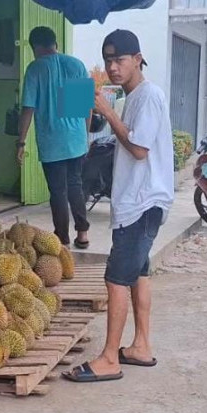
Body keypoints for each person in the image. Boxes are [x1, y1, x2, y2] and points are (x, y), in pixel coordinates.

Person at [64, 30, 174, 383]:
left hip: (142, 203)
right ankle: (141, 345)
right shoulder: (134, 98)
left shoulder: (149, 96)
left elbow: (140, 148)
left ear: (138, 58)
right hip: (139, 202)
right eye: (108, 60)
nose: (112, 67)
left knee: (115, 278)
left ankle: (110, 358)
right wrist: (99, 116)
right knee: (138, 274)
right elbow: (128, 141)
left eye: (119, 60)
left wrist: (108, 111)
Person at [17, 26, 91, 249]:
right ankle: (83, 233)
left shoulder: (36, 69)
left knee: (58, 190)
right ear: (55, 43)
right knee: (75, 184)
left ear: (35, 47)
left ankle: (62, 238)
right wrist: (84, 136)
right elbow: (84, 108)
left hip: (52, 142)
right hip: (76, 140)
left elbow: (28, 109)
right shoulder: (75, 64)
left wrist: (20, 142)